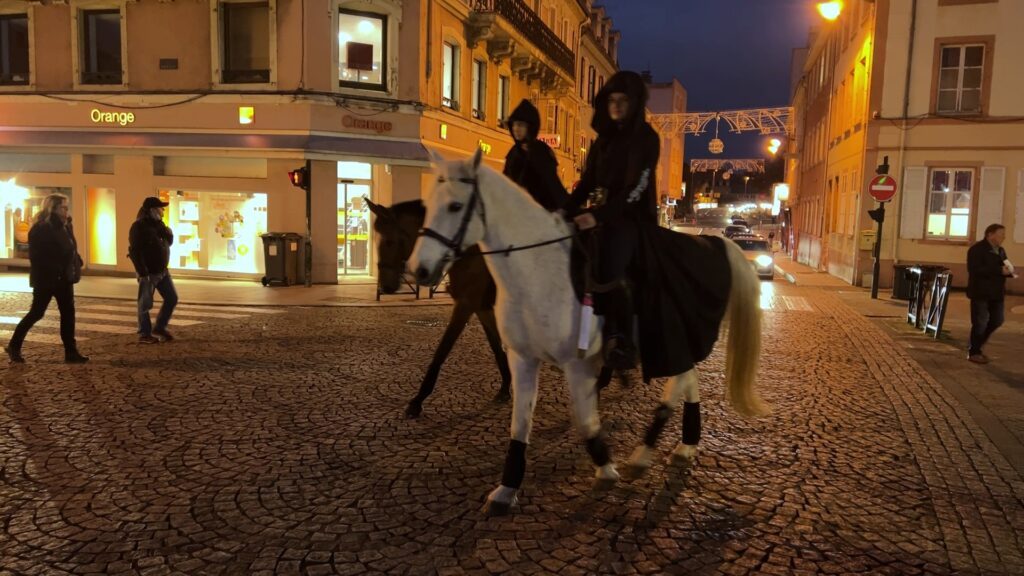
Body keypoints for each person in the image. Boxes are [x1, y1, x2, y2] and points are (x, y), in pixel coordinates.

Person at [564, 71, 661, 370]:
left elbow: (637, 188)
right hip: (601, 214)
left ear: (633, 104)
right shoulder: (602, 141)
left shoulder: (646, 138)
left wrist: (597, 216)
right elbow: (586, 183)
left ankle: (623, 340)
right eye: (612, 100)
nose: (616, 106)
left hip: (632, 217)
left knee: (616, 263)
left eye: (623, 100)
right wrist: (564, 210)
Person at [3, 194, 88, 364]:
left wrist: (76, 261)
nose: (66, 210)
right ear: (53, 208)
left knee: (68, 314)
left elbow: (70, 247)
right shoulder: (41, 228)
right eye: (63, 207)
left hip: (64, 278)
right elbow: (37, 256)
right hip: (46, 279)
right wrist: (56, 268)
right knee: (36, 312)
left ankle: (71, 352)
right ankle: (14, 345)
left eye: (67, 207)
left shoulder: (66, 226)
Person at [503, 99, 569, 211]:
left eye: (520, 125)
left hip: (542, 212)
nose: (515, 129)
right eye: (514, 125)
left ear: (530, 127)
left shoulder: (541, 151)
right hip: (516, 210)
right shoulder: (513, 153)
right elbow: (505, 180)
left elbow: (552, 185)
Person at [128, 197, 179, 344]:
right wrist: (142, 272)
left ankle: (160, 327)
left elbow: (169, 241)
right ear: (152, 210)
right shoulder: (138, 227)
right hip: (148, 272)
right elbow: (135, 251)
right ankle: (144, 333)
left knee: (172, 298)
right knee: (145, 304)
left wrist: (167, 231)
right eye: (160, 208)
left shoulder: (158, 225)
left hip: (162, 270)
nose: (163, 211)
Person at [966, 223, 1015, 364]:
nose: (1003, 237)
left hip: (996, 293)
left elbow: (1005, 265)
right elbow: (974, 269)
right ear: (990, 234)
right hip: (980, 292)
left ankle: (977, 345)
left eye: (1004, 234)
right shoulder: (977, 250)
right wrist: (999, 271)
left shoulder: (1000, 250)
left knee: (997, 320)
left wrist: (1010, 272)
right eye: (1001, 234)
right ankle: (974, 351)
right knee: (980, 322)